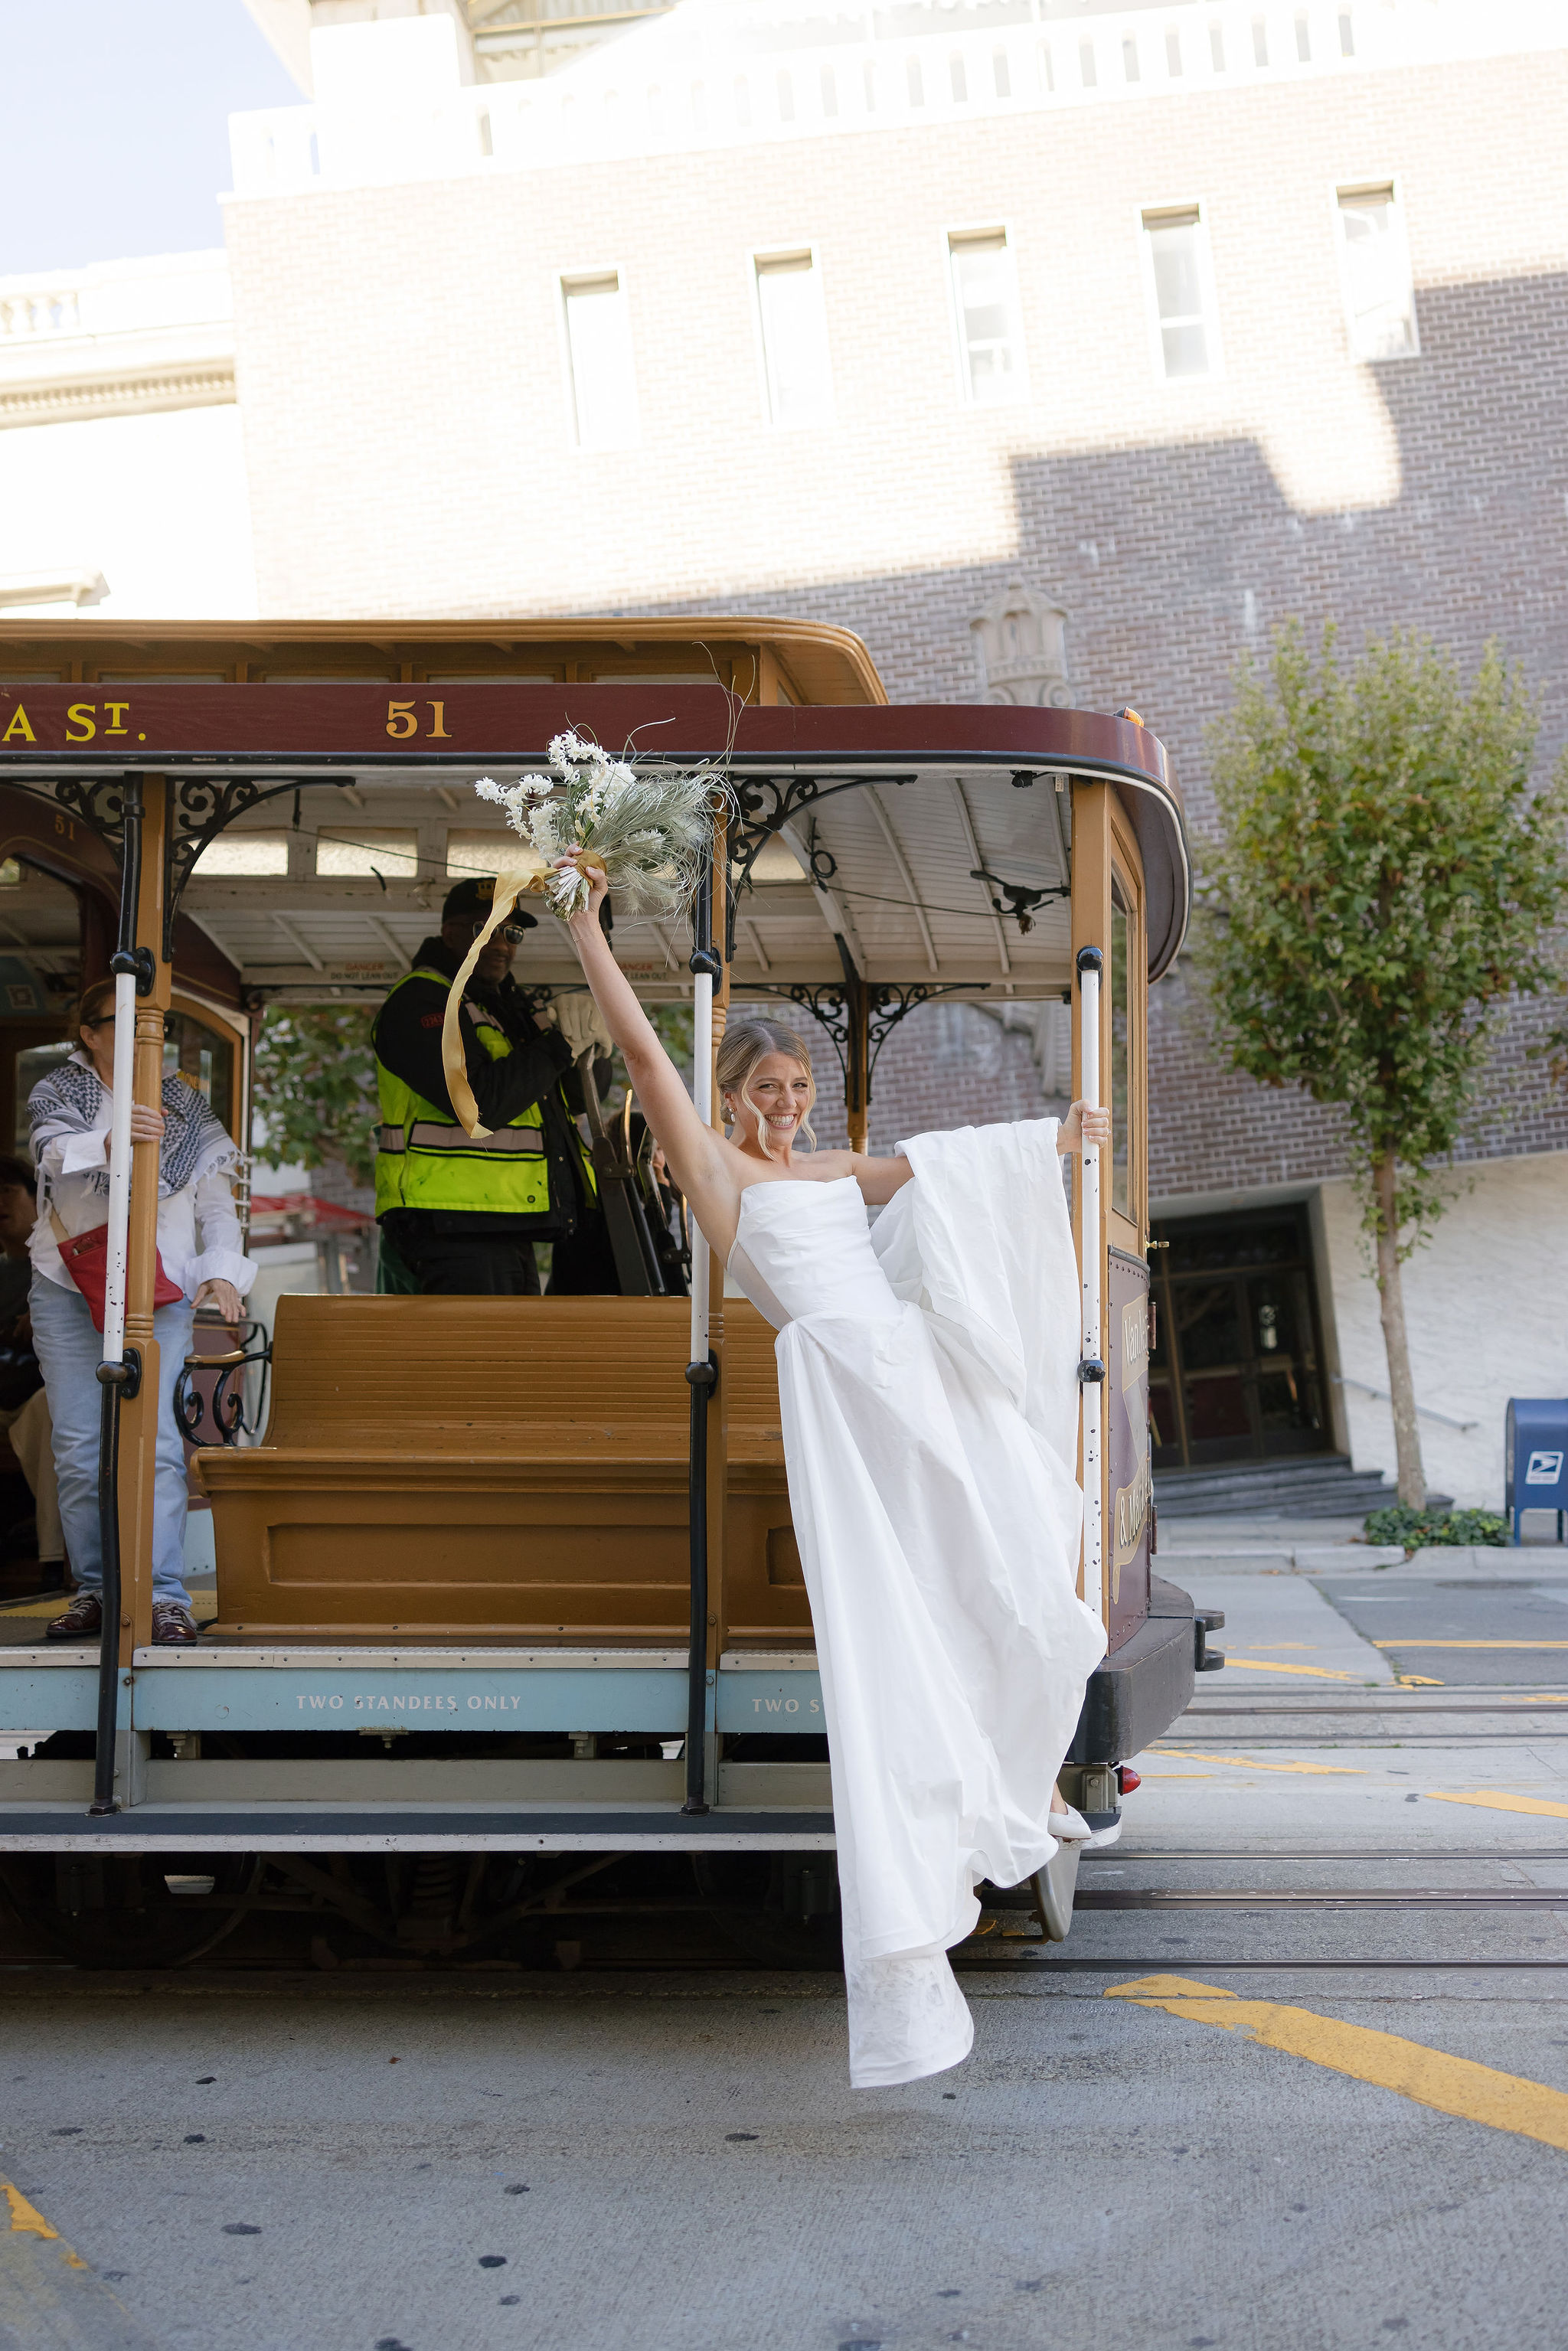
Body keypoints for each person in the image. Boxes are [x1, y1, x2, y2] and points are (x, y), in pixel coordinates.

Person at [556, 850, 1111, 2088]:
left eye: (799, 1083)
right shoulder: (718, 1171)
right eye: (767, 1083)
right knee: (916, 1612)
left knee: (1011, 1555)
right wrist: (589, 929)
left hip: (904, 1370)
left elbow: (931, 1170)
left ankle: (1016, 1783)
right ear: (731, 1093)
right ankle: (978, 1802)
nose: (788, 1101)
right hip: (844, 1394)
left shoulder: (821, 1165)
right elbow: (646, 1063)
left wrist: (1054, 1137)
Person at [30, 980, 253, 1647]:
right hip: (68, 1284)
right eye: (122, 1026)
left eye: (154, 1028)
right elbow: (51, 1153)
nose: (142, 1042)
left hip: (158, 1289)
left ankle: (162, 1596)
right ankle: (98, 1589)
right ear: (90, 1034)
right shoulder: (59, 1091)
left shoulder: (183, 1100)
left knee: (156, 1446)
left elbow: (217, 1203)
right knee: (75, 1447)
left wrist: (221, 1269)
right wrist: (112, 1137)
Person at [372, 876, 617, 1295]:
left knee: (514, 1359)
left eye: (511, 932)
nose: (500, 944)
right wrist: (560, 1045)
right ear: (448, 932)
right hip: (449, 1222)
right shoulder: (421, 1001)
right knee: (481, 1361)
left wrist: (595, 1049)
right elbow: (477, 1105)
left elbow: (575, 1097)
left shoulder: (507, 1004)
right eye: (483, 929)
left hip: (503, 1219)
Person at [0, 1154, 62, 1578]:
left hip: (33, 1396)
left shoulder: (56, 1270)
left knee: (52, 1409)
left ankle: (56, 1561)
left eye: (6, 1191)